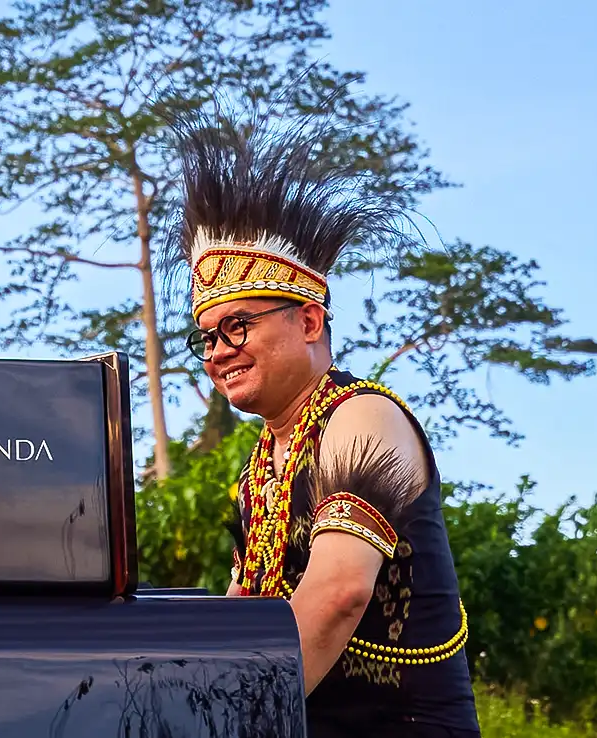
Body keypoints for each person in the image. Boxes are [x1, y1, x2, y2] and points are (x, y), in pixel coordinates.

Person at [162, 104, 481, 737]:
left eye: (238, 325)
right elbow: (244, 613)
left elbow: (339, 594)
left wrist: (232, 724)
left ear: (308, 322)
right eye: (207, 337)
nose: (218, 350)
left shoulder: (362, 418)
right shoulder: (259, 471)